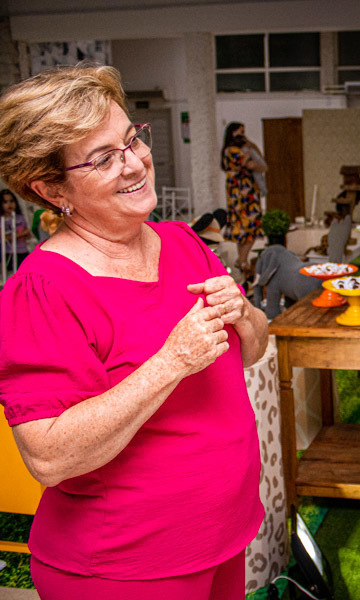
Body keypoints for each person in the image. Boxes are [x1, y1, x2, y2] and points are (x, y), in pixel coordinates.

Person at [0, 64, 269, 600]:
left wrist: (242, 312)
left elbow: (251, 348)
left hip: (220, 535)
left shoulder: (181, 241)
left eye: (130, 140)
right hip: (128, 566)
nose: (134, 164)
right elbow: (49, 457)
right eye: (103, 158)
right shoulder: (44, 290)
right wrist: (171, 361)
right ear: (52, 187)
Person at [221, 121, 266, 279]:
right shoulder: (232, 151)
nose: (242, 136)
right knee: (248, 229)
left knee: (245, 231)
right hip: (241, 196)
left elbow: (261, 164)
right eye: (239, 132)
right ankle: (242, 261)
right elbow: (252, 164)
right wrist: (249, 152)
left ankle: (242, 262)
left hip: (245, 194)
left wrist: (252, 146)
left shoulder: (239, 149)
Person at [1, 188, 31, 272]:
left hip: (23, 251)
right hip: (9, 252)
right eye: (5, 202)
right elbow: (4, 238)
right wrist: (21, 234)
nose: (9, 204)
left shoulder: (20, 218)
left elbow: (28, 235)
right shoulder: (2, 220)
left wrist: (26, 233)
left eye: (11, 201)